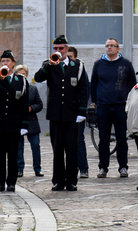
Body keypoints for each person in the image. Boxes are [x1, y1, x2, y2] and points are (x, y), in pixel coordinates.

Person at [34, 35, 88, 191]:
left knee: (71, 148)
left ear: (67, 49)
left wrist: (82, 112)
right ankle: (58, 180)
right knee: (57, 149)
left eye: (61, 48)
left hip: (72, 113)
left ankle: (71, 180)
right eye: (55, 48)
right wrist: (49, 65)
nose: (58, 51)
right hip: (56, 113)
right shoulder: (49, 64)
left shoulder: (77, 65)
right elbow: (38, 78)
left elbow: (83, 90)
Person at [0, 51, 29, 192]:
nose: (5, 64)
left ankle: (11, 182)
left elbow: (24, 103)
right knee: (0, 153)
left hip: (14, 122)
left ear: (13, 63)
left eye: (8, 61)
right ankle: (0, 182)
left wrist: (24, 124)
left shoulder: (21, 80)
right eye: (2, 61)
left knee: (13, 154)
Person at [90, 38, 136, 178]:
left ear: (118, 48)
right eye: (107, 46)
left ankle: (123, 167)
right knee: (103, 138)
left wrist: (129, 103)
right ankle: (103, 167)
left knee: (122, 138)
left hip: (121, 106)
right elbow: (94, 84)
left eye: (112, 45)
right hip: (103, 105)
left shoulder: (126, 64)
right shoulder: (98, 64)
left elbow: (133, 84)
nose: (109, 48)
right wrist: (95, 102)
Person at [15, 65, 43, 178]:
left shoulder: (33, 89)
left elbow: (40, 104)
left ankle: (37, 169)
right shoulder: (14, 88)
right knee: (19, 147)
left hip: (32, 121)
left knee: (35, 145)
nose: (22, 76)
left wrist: (31, 108)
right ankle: (19, 169)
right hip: (18, 122)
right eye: (20, 74)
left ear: (27, 75)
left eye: (24, 74)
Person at [68, 46, 90, 178]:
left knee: (79, 139)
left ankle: (83, 168)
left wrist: (82, 110)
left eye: (71, 57)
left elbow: (84, 91)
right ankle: (70, 169)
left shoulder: (80, 70)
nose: (69, 59)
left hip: (76, 111)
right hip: (64, 111)